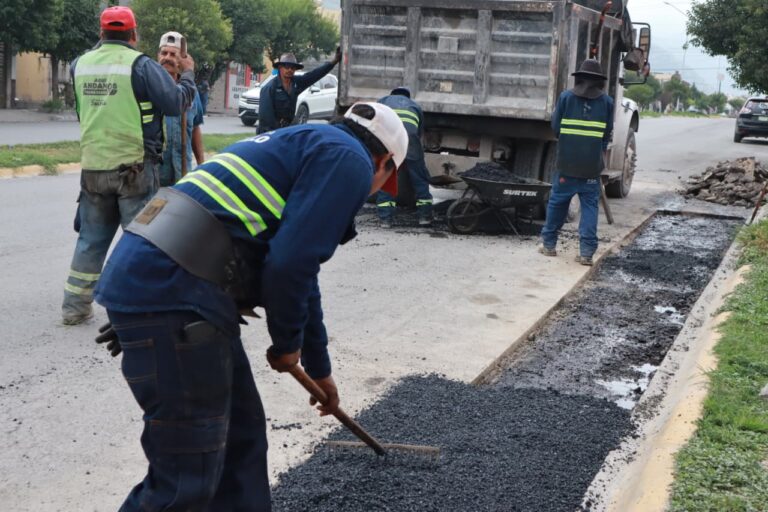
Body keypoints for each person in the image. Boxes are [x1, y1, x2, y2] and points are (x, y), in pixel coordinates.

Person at [92, 102, 408, 511]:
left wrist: (319, 368)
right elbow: (290, 265)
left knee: (241, 441)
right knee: (187, 478)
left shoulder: (303, 140)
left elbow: (300, 271)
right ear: (383, 162)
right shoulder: (350, 161)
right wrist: (286, 345)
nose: (374, 189)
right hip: (173, 290)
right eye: (383, 182)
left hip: (165, 281)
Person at [62, 6, 197, 325]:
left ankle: (74, 307)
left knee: (91, 239)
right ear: (134, 35)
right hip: (135, 170)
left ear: (101, 33)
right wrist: (188, 74)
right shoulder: (141, 65)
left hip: (94, 168)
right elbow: (176, 103)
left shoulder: (78, 65)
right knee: (142, 240)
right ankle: (143, 307)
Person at [539, 59, 614, 266]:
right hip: (591, 168)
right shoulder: (607, 102)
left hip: (567, 165)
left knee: (558, 203)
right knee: (589, 207)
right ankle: (587, 253)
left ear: (579, 78)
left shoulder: (565, 98)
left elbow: (555, 127)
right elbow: (606, 135)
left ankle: (549, 245)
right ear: (600, 81)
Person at [377, 86, 434, 227]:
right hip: (410, 141)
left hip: (389, 140)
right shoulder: (415, 106)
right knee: (419, 177)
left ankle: (385, 219)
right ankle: (424, 217)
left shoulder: (383, 101)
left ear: (392, 94)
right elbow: (419, 132)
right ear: (407, 96)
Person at [157, 31, 206, 186]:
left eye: (173, 54)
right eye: (164, 53)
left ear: (182, 61)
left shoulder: (191, 93)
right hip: (155, 175)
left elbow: (196, 128)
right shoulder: (150, 88)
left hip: (183, 174)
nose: (167, 58)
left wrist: (202, 165)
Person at [257, 48, 341, 133]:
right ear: (280, 67)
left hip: (286, 130)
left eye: (293, 67)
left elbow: (314, 75)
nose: (290, 70)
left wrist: (334, 61)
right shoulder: (269, 88)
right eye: (287, 66)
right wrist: (275, 134)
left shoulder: (296, 83)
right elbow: (265, 118)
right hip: (269, 132)